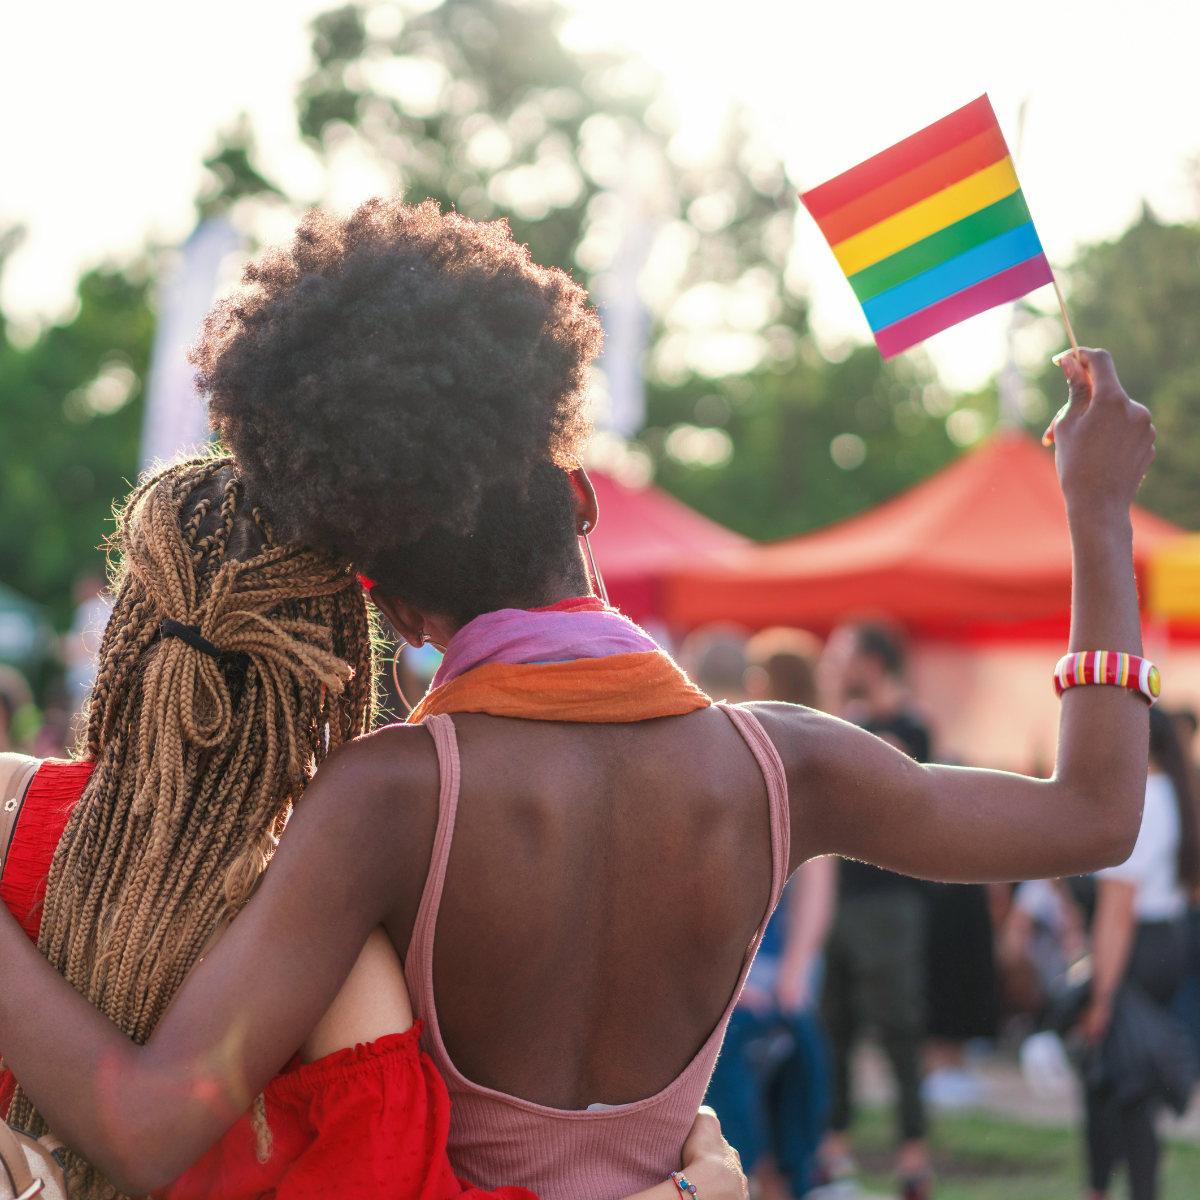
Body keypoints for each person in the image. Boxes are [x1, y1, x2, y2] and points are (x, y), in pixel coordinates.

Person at [0, 200, 1156, 1200]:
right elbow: (1095, 817)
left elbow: (146, 1125)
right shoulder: (786, 765)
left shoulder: (388, 796)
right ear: (583, 496)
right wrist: (1096, 513)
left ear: (394, 609)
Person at [0, 455, 742, 1200]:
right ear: (334, 665)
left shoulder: (7, 805)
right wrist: (683, 1196)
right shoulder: (326, 930)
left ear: (129, 619)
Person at [705, 630, 834, 1199]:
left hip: (767, 965)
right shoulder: (768, 752)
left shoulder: (774, 754)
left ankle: (785, 1177)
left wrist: (792, 973)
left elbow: (815, 876)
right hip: (749, 969)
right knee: (752, 1102)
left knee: (778, 1089)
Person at [816, 622, 934, 1197]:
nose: (835, 667)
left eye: (844, 656)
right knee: (833, 1027)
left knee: (899, 1030)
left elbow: (893, 775)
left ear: (872, 661)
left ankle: (913, 1155)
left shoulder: (910, 727)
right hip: (838, 900)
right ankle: (834, 1148)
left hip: (889, 904)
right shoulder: (846, 722)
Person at [1077, 706, 1200, 1200]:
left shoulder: (1142, 800)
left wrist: (1101, 997)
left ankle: (1108, 1189)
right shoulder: (1176, 792)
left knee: (1118, 1085)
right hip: (1166, 940)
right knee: (1128, 1084)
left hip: (1137, 948)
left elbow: (1116, 910)